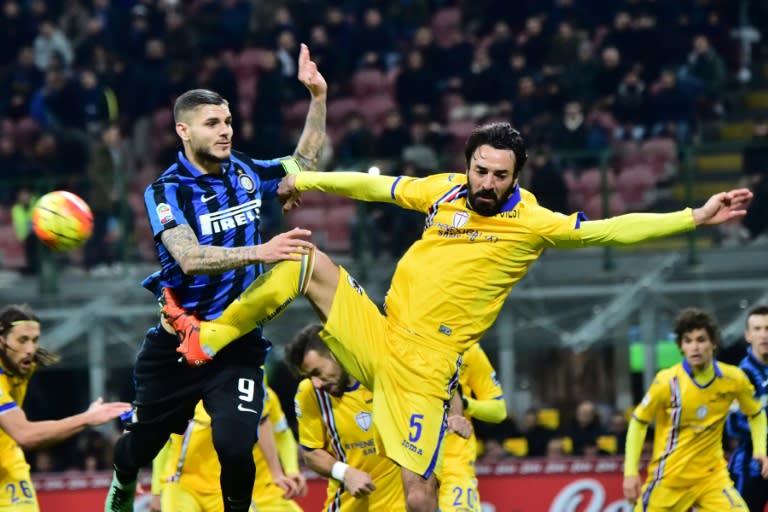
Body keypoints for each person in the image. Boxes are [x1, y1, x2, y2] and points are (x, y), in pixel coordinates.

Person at [164, 122, 755, 511]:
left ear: (516, 176)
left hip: (425, 366)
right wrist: (306, 179)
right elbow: (376, 189)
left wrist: (693, 217)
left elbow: (610, 230)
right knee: (303, 259)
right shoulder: (445, 191)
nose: (486, 182)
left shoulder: (532, 223)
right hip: (382, 331)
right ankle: (207, 337)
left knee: (419, 490)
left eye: (500, 175)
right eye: (480, 169)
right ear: (467, 163)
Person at [104, 44, 327, 512]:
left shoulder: (244, 170)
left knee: (234, 442)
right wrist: (262, 251)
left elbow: (301, 167)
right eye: (213, 124)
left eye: (227, 122)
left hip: (237, 341)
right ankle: (123, 483)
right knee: (139, 447)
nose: (225, 131)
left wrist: (318, 99)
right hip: (178, 344)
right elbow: (186, 257)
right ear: (183, 131)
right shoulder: (166, 191)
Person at [287, 325, 469, 511]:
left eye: (317, 372)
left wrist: (455, 416)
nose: (316, 383)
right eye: (310, 376)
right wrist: (345, 473)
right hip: (350, 506)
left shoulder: (388, 373)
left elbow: (442, 382)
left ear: (336, 353)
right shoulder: (309, 393)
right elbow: (311, 452)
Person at [622, 308, 768, 511]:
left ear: (713, 343)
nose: (694, 347)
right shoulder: (667, 382)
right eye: (688, 341)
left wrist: (760, 450)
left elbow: (756, 413)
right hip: (669, 480)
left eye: (701, 340)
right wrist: (630, 472)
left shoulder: (733, 379)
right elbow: (638, 422)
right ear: (681, 346)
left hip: (712, 479)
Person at [0, 304, 131, 511]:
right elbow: (25, 434)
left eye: (34, 340)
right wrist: (87, 418)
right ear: (1, 340)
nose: (30, 349)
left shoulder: (22, 364)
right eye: (22, 340)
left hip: (8, 468)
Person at [153, 385, 305, 512]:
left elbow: (280, 433)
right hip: (189, 485)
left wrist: (289, 471)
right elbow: (164, 443)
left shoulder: (260, 394)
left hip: (254, 488)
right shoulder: (185, 394)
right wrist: (156, 491)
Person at [440, 343, 506, 512]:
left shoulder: (470, 349)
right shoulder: (406, 337)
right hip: (410, 458)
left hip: (455, 461)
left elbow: (499, 410)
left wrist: (465, 403)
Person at [727, 304, 768, 511]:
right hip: (749, 468)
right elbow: (733, 425)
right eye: (758, 329)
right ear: (748, 336)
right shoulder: (740, 376)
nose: (764, 335)